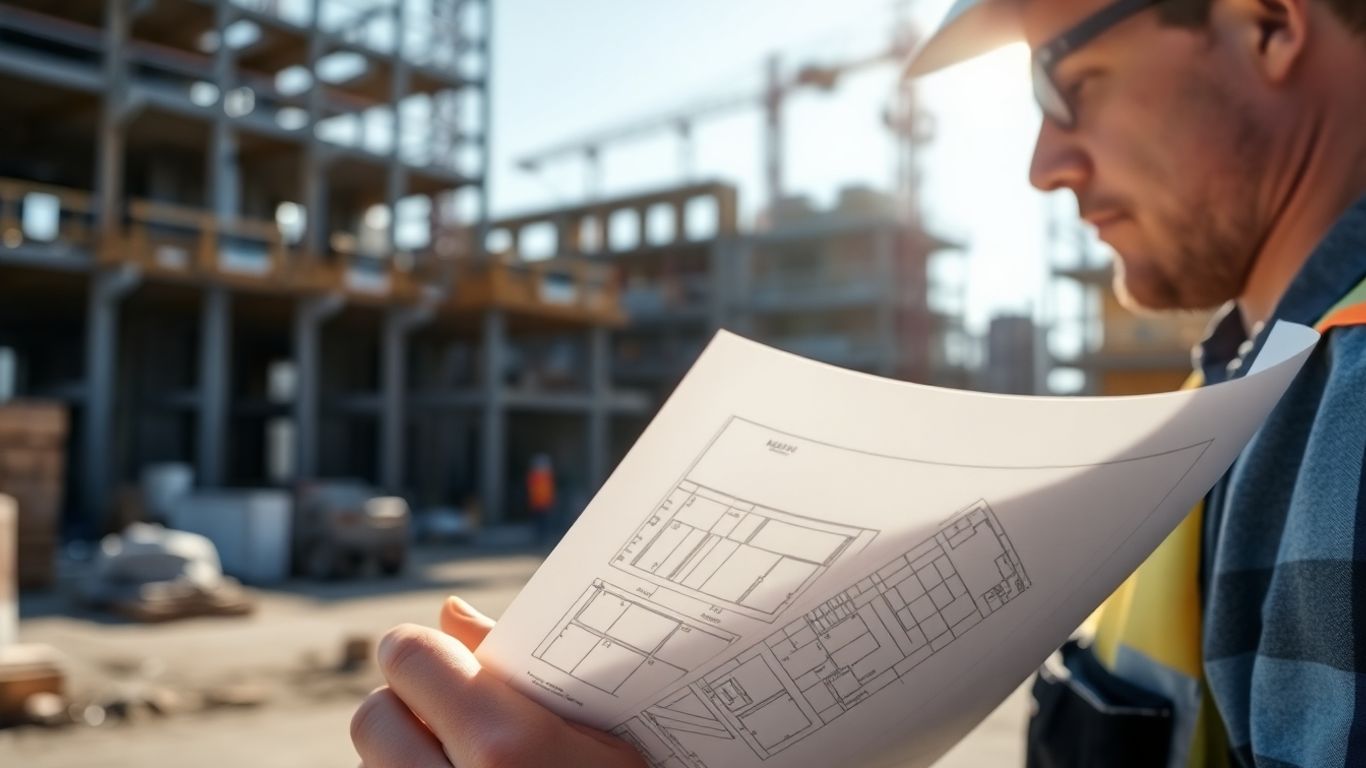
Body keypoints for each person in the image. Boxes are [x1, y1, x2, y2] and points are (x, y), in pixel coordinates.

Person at [351, 0, 1366, 764]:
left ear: (1267, 23)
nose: (1043, 162)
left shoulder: (1349, 412)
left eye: (1065, 87)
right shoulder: (1260, 388)